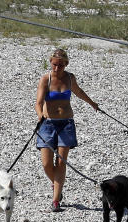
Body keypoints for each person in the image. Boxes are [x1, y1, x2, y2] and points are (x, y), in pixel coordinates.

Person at [35, 48, 99, 212]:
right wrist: (40, 114)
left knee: (61, 162)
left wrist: (92, 104)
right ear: (50, 63)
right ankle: (56, 183)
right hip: (47, 124)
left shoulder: (70, 78)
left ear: (66, 64)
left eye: (61, 65)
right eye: (55, 65)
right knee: (46, 163)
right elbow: (38, 102)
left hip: (66, 124)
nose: (57, 68)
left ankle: (56, 199)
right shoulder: (45, 79)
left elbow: (78, 92)